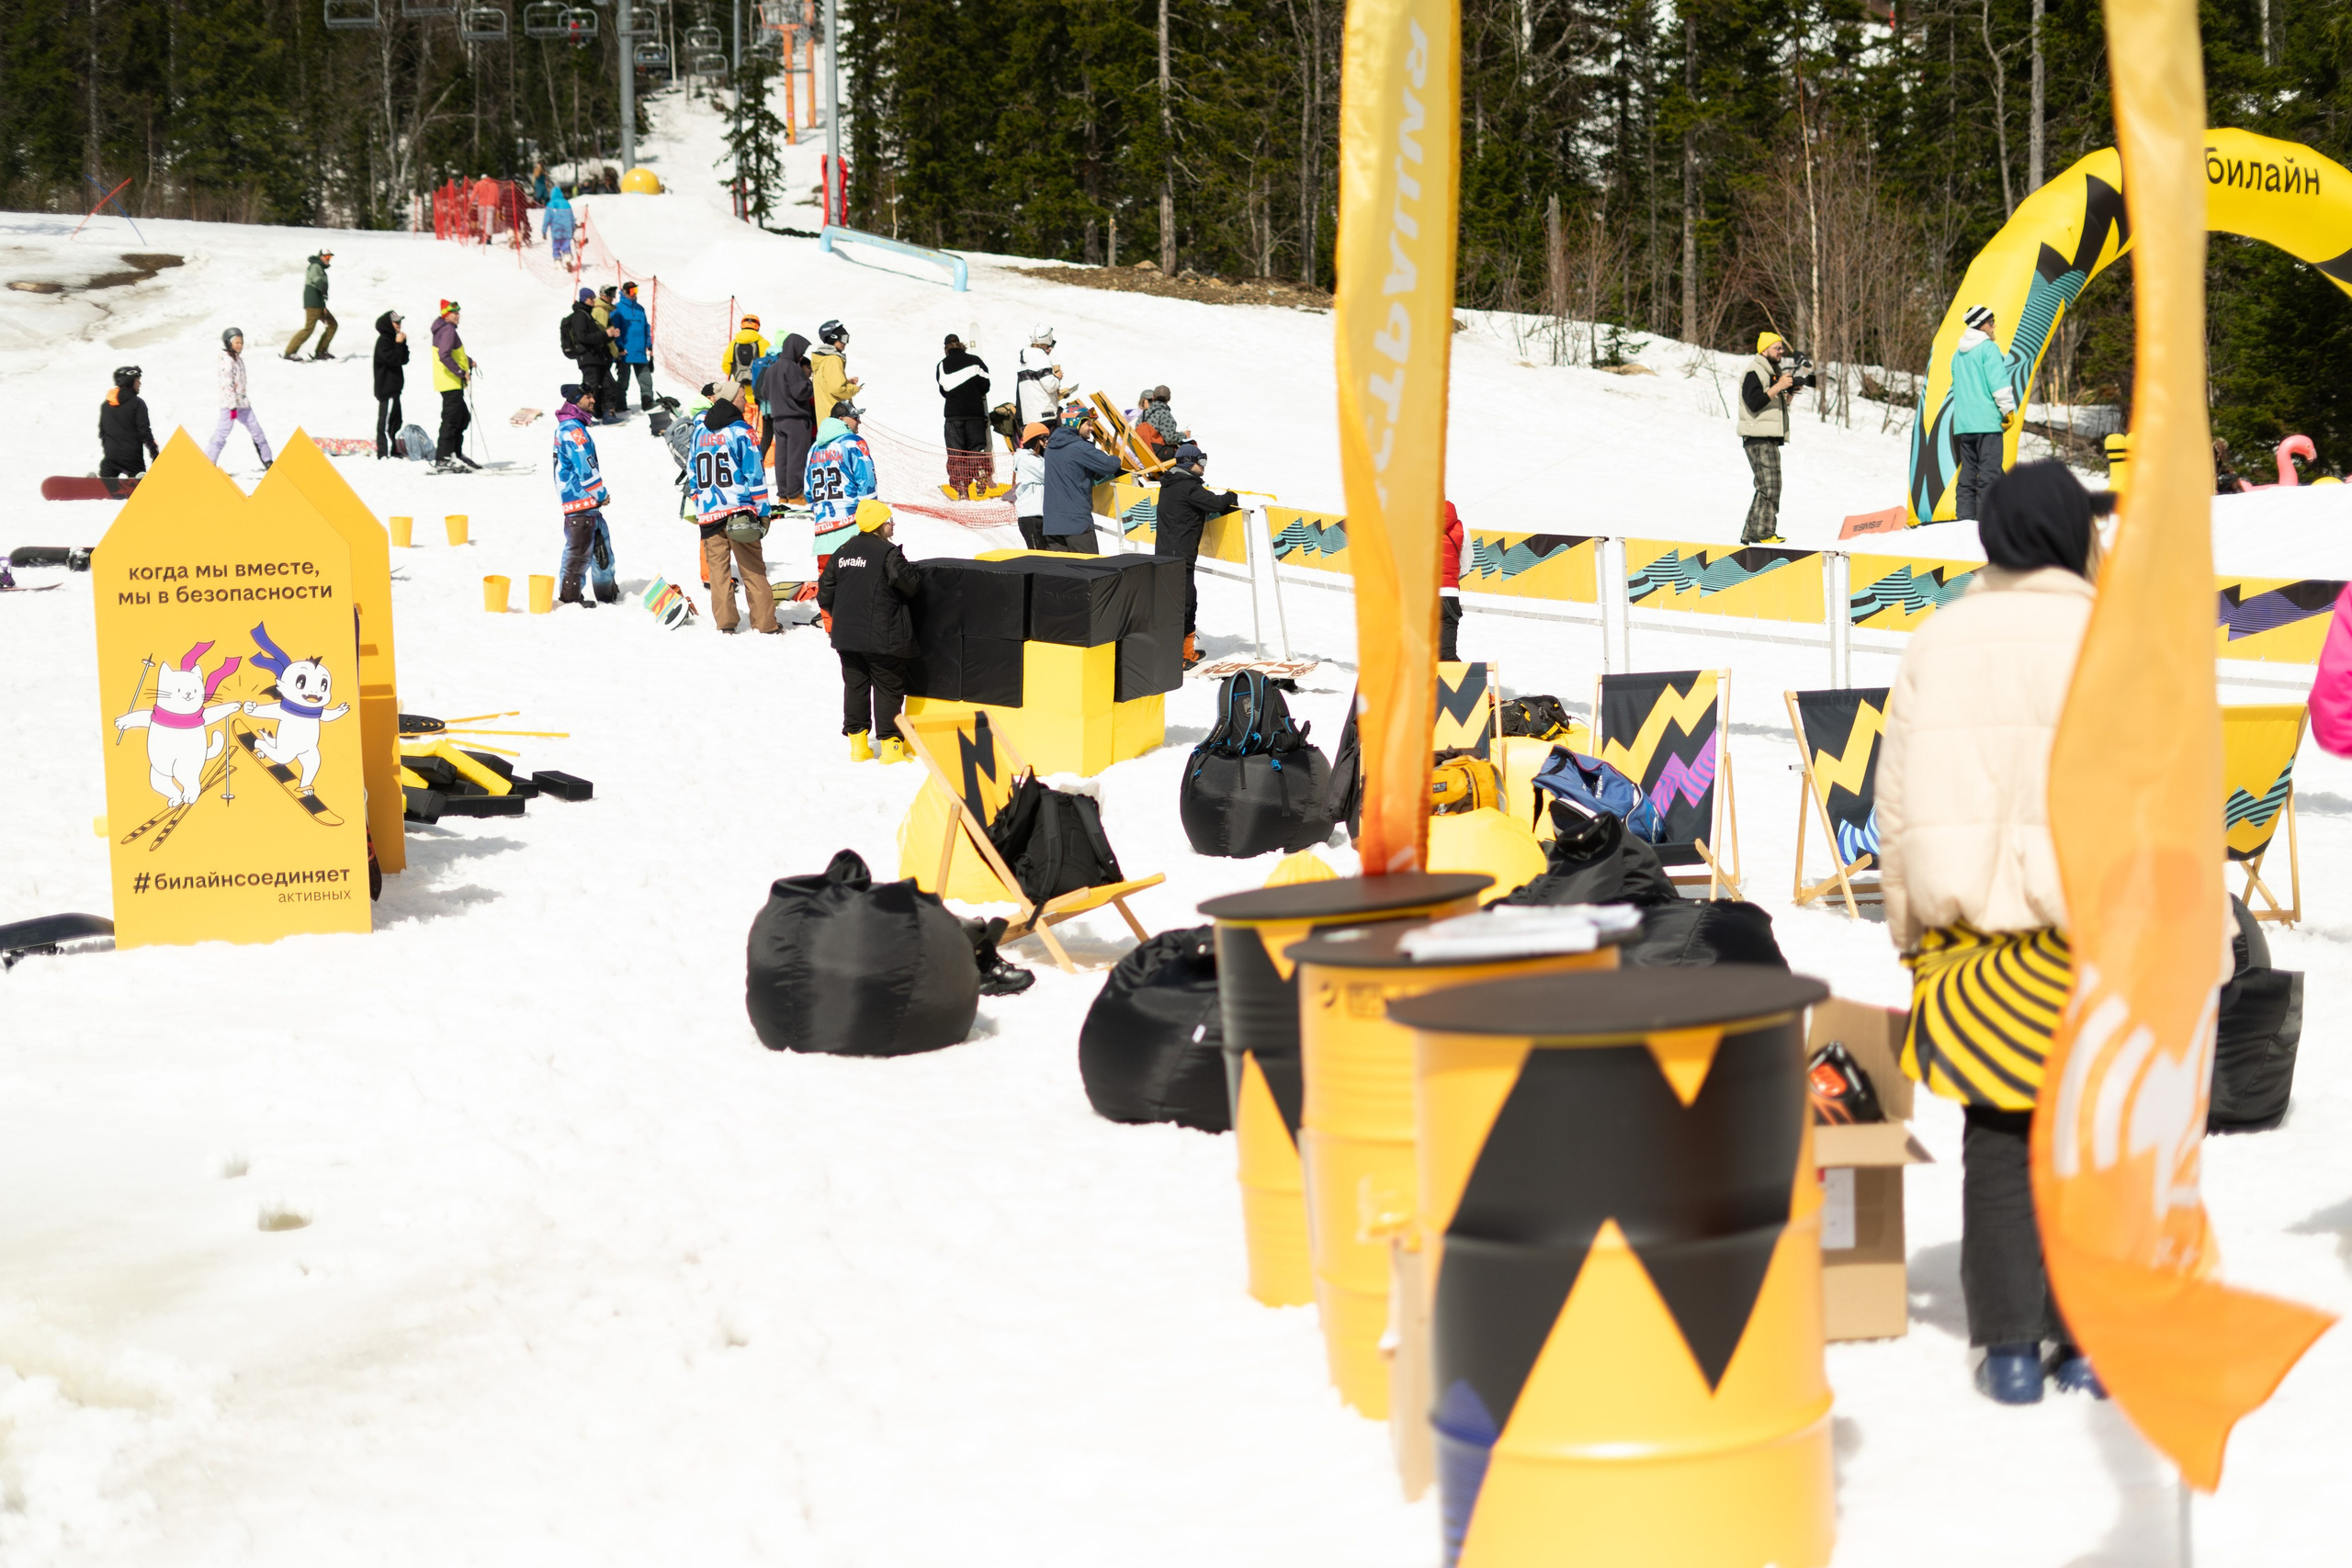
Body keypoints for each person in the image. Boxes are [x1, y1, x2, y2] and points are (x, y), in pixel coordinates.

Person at [1875, 459, 2111, 1407]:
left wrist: (1904, 924)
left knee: (1998, 1130)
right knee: (2096, 1128)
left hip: (1970, 938)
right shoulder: (2112, 635)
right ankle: (2088, 1334)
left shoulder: (1937, 641)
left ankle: (2011, 1347)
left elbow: (1892, 803)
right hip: (2089, 931)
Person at [820, 499, 923, 762]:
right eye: (889, 520)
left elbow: (825, 594)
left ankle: (858, 746)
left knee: (855, 687)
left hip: (846, 637)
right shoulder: (888, 554)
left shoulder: (842, 551)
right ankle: (891, 748)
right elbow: (911, 586)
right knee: (889, 688)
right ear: (879, 525)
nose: (893, 524)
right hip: (883, 636)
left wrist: (844, 616)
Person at [686, 381, 781, 635]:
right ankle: (765, 624)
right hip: (739, 510)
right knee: (752, 569)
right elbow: (755, 474)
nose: (745, 400)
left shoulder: (699, 432)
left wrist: (700, 500)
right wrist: (763, 511)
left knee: (718, 571)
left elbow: (691, 472)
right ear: (730, 400)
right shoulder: (742, 431)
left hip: (708, 513)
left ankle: (726, 623)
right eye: (742, 396)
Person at [1151, 442, 1238, 667]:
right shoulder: (1188, 487)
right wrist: (1231, 496)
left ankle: (1179, 652)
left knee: (1182, 602)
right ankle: (1179, 656)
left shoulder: (1171, 483)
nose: (1204, 466)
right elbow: (1216, 503)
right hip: (1180, 556)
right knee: (1185, 604)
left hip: (1167, 553)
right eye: (1202, 461)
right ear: (1190, 463)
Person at [1949, 304, 2018, 522]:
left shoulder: (1957, 354)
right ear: (1981, 325)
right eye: (1991, 322)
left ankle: (1965, 521)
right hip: (1987, 423)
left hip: (1964, 425)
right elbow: (1998, 384)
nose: (1994, 325)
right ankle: (1985, 523)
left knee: (1968, 475)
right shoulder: (1988, 349)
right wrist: (2008, 410)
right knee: (1989, 475)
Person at [552, 383, 619, 605]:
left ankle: (607, 593)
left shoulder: (574, 427)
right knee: (579, 555)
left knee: (601, 551)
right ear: (574, 400)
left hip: (586, 505)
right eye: (587, 397)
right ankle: (570, 600)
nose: (593, 400)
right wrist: (601, 494)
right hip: (580, 502)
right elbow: (585, 468)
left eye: (592, 395)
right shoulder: (572, 430)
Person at [1736, 332, 1799, 544]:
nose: (1781, 352)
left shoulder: (1771, 373)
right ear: (1764, 350)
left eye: (1782, 348)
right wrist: (1779, 386)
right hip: (1758, 438)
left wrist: (1788, 393)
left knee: (1766, 487)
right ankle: (1763, 534)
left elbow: (1771, 407)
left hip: (1767, 437)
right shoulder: (1755, 372)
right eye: (1777, 348)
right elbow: (1753, 403)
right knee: (1770, 487)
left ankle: (1749, 536)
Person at [806, 400, 878, 563]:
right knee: (855, 583)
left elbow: (807, 490)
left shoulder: (814, 448)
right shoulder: (853, 443)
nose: (859, 421)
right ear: (841, 419)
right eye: (854, 417)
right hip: (852, 530)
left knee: (827, 583)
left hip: (823, 532)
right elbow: (867, 484)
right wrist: (872, 522)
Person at [1042, 403, 1118, 554]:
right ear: (1076, 423)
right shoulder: (1079, 447)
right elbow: (1109, 466)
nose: (1092, 428)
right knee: (1090, 571)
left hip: (1052, 524)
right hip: (1076, 523)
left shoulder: (1050, 448)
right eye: (1088, 424)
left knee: (1062, 573)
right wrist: (1116, 458)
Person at [204, 328, 275, 468]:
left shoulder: (237, 358)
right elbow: (227, 385)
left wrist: (240, 404)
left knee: (257, 431)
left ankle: (267, 460)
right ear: (228, 343)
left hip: (243, 404)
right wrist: (232, 407)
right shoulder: (227, 361)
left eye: (241, 342)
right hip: (230, 406)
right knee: (222, 433)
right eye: (236, 342)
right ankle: (209, 461)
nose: (239, 345)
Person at [760, 332, 817, 500]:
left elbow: (763, 392)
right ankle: (795, 494)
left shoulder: (772, 368)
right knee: (796, 457)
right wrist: (810, 385)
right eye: (801, 351)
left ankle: (783, 494)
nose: (801, 356)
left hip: (778, 419)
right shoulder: (792, 367)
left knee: (782, 458)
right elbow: (800, 392)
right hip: (795, 419)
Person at [936, 333, 993, 493]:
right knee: (976, 449)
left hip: (954, 416)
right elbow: (985, 386)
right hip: (975, 415)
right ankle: (980, 472)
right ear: (961, 344)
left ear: (946, 348)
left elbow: (943, 390)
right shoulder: (976, 361)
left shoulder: (942, 365)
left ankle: (962, 487)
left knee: (956, 454)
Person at [430, 300, 480, 471]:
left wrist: (468, 361)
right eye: (454, 312)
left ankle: (455, 453)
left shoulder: (444, 329)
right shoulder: (448, 330)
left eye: (458, 312)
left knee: (462, 417)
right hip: (450, 382)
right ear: (446, 314)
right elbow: (444, 355)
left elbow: (452, 353)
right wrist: (460, 372)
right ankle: (443, 458)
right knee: (451, 420)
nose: (458, 315)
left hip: (449, 383)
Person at [563, 288, 616, 421]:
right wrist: (605, 334)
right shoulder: (580, 315)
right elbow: (583, 338)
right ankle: (582, 416)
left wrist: (609, 337)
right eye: (591, 297)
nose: (594, 300)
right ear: (584, 298)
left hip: (596, 357)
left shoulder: (587, 314)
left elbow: (594, 338)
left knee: (608, 384)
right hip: (587, 357)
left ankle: (605, 413)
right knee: (590, 389)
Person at [98, 366, 158, 481]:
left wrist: (109, 450)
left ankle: (95, 484)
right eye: (137, 380)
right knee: (139, 485)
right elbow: (144, 431)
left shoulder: (106, 405)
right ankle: (139, 479)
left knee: (105, 484)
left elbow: (102, 433)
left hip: (111, 457)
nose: (139, 383)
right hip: (132, 457)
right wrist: (154, 452)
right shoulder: (137, 403)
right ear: (130, 382)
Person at [284, 250, 336, 360]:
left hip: (319, 304)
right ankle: (290, 352)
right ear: (321, 257)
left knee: (332, 325)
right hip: (313, 303)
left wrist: (323, 304)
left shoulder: (320, 267)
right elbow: (315, 278)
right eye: (326, 257)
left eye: (329, 257)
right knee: (309, 328)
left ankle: (321, 351)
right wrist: (321, 283)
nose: (328, 259)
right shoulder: (315, 266)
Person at [611, 281, 654, 412]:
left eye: (636, 290)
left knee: (646, 379)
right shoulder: (617, 309)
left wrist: (648, 343)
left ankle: (648, 402)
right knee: (623, 380)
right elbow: (615, 330)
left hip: (640, 351)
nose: (634, 294)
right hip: (625, 351)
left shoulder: (640, 309)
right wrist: (618, 347)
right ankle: (620, 404)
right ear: (624, 292)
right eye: (631, 291)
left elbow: (646, 328)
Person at [372, 310, 410, 459]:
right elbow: (392, 359)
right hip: (387, 390)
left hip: (395, 389)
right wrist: (399, 344)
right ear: (389, 324)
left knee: (395, 421)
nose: (399, 324)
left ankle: (393, 450)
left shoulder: (393, 339)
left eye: (400, 322)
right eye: (396, 322)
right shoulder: (383, 341)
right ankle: (385, 452)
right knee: (386, 422)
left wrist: (402, 344)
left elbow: (403, 359)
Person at [810, 319, 861, 424]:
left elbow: (827, 385)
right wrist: (854, 389)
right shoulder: (833, 359)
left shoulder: (821, 359)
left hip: (825, 420)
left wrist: (846, 382)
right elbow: (837, 388)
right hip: (837, 420)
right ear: (833, 338)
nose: (845, 342)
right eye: (843, 338)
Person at [1016, 324, 1065, 429]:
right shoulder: (1041, 357)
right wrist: (1057, 377)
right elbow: (1050, 385)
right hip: (1044, 414)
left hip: (1029, 416)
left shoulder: (1026, 360)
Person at [1012, 423, 1050, 549]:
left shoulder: (1038, 457)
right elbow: (1047, 473)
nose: (1047, 441)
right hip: (1031, 516)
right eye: (1044, 438)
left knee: (1049, 557)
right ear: (1034, 439)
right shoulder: (1026, 458)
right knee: (1039, 556)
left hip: (1040, 515)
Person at [1441, 500, 1466, 660]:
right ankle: (1453, 683)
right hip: (1449, 595)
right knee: (1446, 653)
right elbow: (1467, 563)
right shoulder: (1461, 529)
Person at [723, 314, 769, 384]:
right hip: (757, 387)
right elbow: (769, 363)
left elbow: (726, 365)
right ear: (757, 327)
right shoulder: (764, 343)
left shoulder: (733, 344)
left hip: (738, 387)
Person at [1144, 384, 1182, 448]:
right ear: (1169, 399)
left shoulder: (1144, 413)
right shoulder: (1165, 415)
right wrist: (1183, 435)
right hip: (1157, 452)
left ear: (1153, 397)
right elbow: (1170, 439)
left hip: (1142, 449)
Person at [546, 186, 576, 260]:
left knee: (556, 246)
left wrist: (544, 231)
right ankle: (567, 257)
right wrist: (573, 228)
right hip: (566, 229)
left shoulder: (550, 204)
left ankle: (558, 261)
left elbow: (547, 219)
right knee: (566, 245)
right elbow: (571, 217)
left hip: (556, 230)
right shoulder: (566, 203)